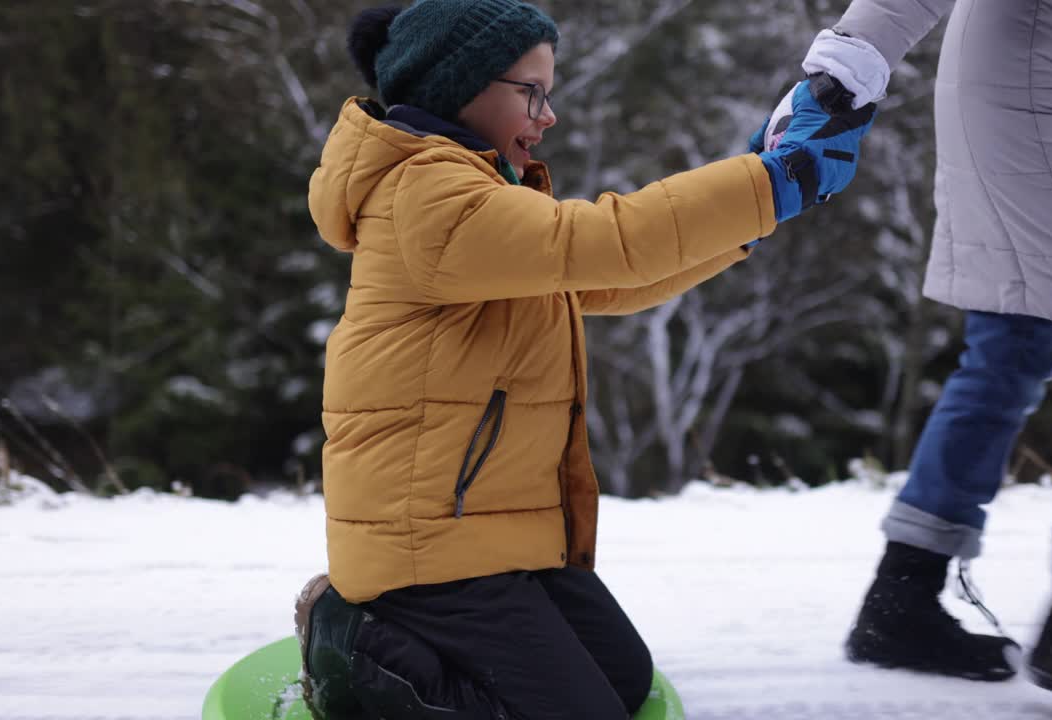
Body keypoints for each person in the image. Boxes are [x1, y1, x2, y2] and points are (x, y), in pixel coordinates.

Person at [292, 2, 877, 719]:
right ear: (460, 87)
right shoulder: (428, 196)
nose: (549, 115)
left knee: (623, 682)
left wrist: (759, 203)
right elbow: (602, 241)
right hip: (425, 551)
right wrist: (765, 183)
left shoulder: (476, 189)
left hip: (482, 533)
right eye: (530, 91)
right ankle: (351, 653)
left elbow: (606, 278)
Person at [784, 1, 1052, 718]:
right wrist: (855, 52)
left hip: (1036, 80)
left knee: (1016, 334)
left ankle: (904, 597)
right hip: (1050, 91)